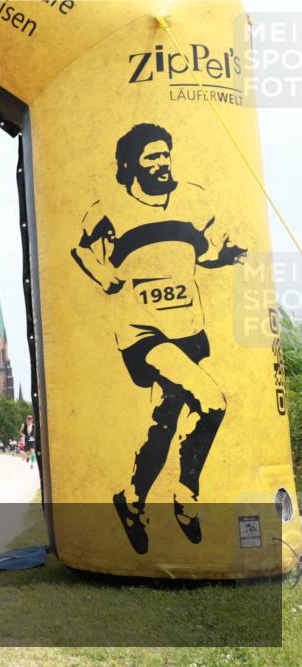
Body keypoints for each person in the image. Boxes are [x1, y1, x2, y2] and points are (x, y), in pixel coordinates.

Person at [71, 123, 244, 555]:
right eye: (151, 156)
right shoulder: (109, 206)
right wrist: (104, 274)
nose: (161, 162)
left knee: (163, 425)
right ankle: (186, 496)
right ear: (130, 164)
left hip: (189, 327)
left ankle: (130, 500)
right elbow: (82, 248)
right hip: (142, 332)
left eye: (165, 154)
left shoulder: (193, 199)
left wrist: (224, 258)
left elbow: (200, 254)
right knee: (213, 400)